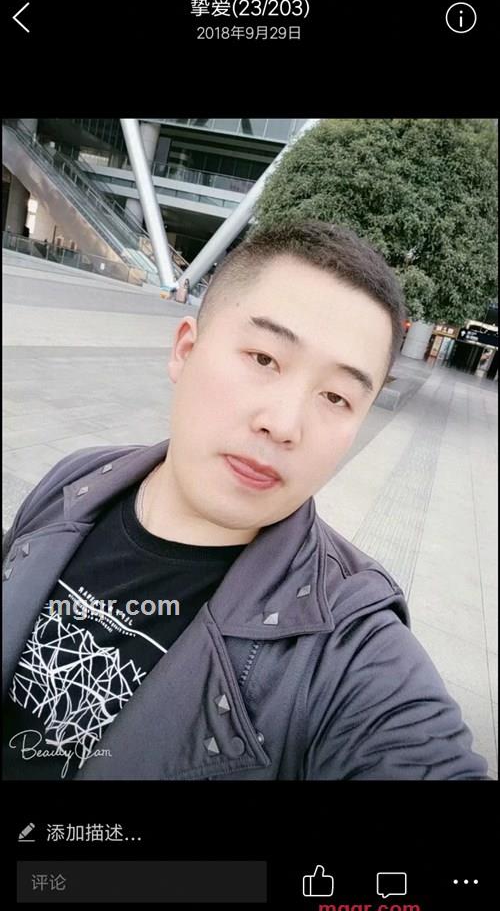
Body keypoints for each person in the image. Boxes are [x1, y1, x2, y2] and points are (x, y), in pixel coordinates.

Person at [2, 220, 488, 781]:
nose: (284, 425)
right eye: (263, 359)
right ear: (186, 350)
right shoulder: (78, 480)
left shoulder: (350, 647)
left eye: (336, 397)